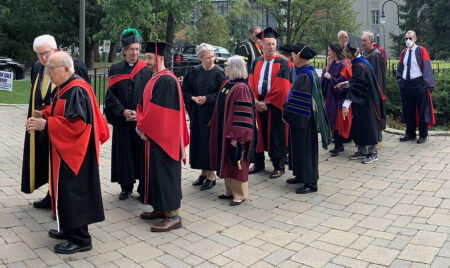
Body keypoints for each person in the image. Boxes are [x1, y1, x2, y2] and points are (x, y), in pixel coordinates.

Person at [25, 51, 109, 254]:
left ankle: (81, 240)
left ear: (65, 68)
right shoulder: (66, 86)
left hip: (76, 154)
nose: (47, 73)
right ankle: (68, 229)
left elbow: (77, 125)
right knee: (65, 192)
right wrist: (44, 113)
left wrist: (46, 124)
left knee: (75, 194)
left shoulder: (76, 89)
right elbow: (61, 111)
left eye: (51, 69)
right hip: (67, 152)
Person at [22, 34, 89, 209]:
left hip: (63, 125)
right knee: (45, 159)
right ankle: (51, 195)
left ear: (55, 50)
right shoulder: (37, 67)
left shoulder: (69, 65)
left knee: (60, 162)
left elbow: (82, 97)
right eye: (39, 54)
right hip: (43, 121)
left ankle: (59, 200)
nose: (43, 58)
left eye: (46, 53)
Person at [136, 41, 189, 232]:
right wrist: (142, 124)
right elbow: (147, 106)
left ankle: (173, 215)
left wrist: (142, 125)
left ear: (160, 58)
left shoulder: (167, 80)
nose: (146, 61)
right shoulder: (155, 78)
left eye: (149, 58)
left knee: (165, 174)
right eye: (146, 58)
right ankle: (160, 208)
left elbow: (161, 113)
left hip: (165, 137)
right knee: (156, 173)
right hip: (154, 136)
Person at [104, 28, 152, 201]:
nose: (135, 52)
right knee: (125, 154)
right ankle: (126, 187)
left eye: (138, 49)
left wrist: (140, 114)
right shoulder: (116, 69)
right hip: (123, 121)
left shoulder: (146, 70)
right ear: (124, 50)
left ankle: (143, 188)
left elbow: (150, 95)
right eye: (131, 49)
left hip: (142, 121)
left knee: (141, 154)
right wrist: (122, 111)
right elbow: (110, 95)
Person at [282, 43, 332, 194]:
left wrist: (287, 115)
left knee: (306, 150)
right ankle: (300, 175)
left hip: (304, 119)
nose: (291, 57)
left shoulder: (304, 76)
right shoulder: (307, 72)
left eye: (293, 54)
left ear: (298, 56)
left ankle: (311, 182)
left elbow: (299, 101)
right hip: (303, 118)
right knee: (298, 149)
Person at [209, 56, 256, 206]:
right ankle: (229, 191)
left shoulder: (241, 88)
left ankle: (240, 194)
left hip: (234, 134)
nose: (225, 68)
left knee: (237, 162)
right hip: (223, 132)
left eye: (227, 65)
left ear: (235, 68)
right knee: (226, 161)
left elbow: (241, 115)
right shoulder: (227, 84)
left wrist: (236, 136)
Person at [248, 27, 291, 179]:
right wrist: (255, 101)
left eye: (273, 44)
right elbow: (251, 82)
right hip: (258, 103)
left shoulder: (282, 62)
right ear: (262, 45)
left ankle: (278, 166)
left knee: (276, 136)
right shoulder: (257, 61)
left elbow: (282, 86)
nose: (271, 47)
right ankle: (258, 163)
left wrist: (265, 102)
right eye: (268, 44)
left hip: (274, 106)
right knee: (258, 134)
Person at [182, 43, 226, 190]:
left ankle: (211, 174)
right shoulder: (194, 72)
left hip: (212, 115)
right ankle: (203, 173)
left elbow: (223, 94)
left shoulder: (219, 73)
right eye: (207, 57)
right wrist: (193, 98)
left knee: (210, 144)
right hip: (197, 114)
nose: (211, 60)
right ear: (200, 58)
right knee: (199, 144)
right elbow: (185, 91)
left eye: (212, 56)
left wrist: (207, 98)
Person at [335, 36, 386, 164]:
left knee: (369, 126)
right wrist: (346, 83)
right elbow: (356, 81)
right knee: (360, 126)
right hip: (362, 101)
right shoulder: (360, 63)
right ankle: (362, 150)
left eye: (346, 51)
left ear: (351, 53)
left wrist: (346, 104)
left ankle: (373, 152)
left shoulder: (360, 65)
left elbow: (358, 86)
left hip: (368, 102)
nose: (345, 53)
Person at [397, 30, 435, 144]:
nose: (408, 40)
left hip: (418, 84)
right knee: (408, 110)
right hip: (405, 84)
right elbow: (400, 67)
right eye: (406, 38)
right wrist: (400, 80)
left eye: (410, 38)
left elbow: (427, 66)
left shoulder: (420, 50)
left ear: (415, 39)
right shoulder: (403, 52)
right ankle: (410, 134)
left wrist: (428, 84)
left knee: (422, 110)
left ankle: (423, 135)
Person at [321, 43, 352, 157]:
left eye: (329, 51)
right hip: (331, 97)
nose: (328, 53)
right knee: (332, 121)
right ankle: (338, 145)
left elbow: (344, 83)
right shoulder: (333, 63)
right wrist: (328, 67)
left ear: (334, 52)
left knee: (339, 122)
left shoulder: (344, 65)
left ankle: (339, 146)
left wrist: (331, 78)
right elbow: (324, 79)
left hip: (339, 99)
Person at [361, 30, 387, 149]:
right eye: (362, 40)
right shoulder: (363, 54)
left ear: (371, 42)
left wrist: (376, 92)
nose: (362, 43)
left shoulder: (376, 55)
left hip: (373, 92)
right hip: (364, 92)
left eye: (364, 40)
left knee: (375, 116)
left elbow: (379, 77)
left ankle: (377, 140)